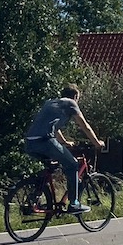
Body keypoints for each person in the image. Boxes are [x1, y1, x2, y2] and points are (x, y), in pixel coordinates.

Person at [24, 84, 104, 213]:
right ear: (75, 96)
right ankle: (74, 204)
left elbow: (55, 128)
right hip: (45, 141)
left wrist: (64, 142)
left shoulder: (50, 103)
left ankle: (35, 196)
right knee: (72, 165)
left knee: (52, 166)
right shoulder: (71, 103)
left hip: (30, 143)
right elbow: (85, 125)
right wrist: (96, 143)